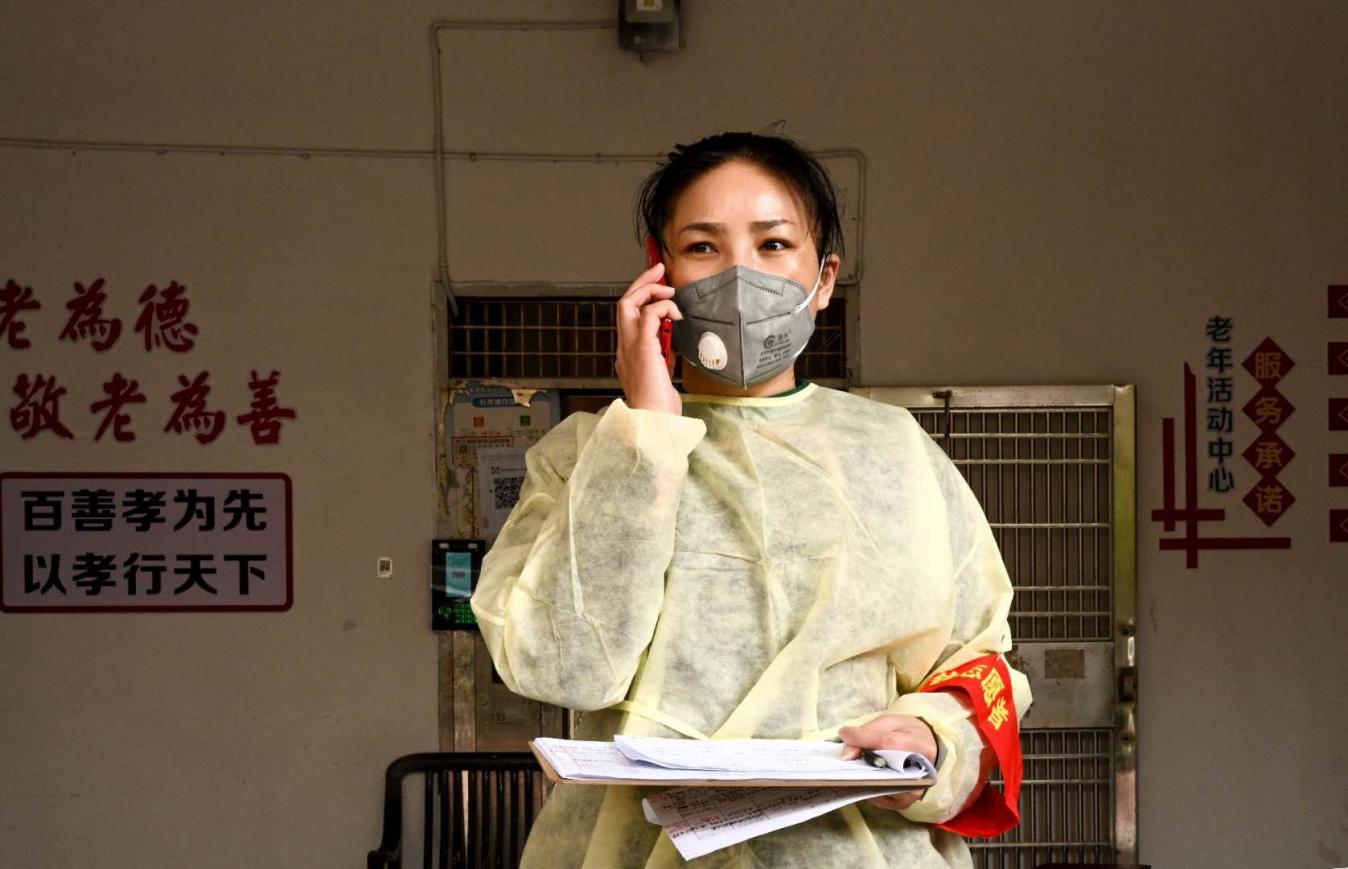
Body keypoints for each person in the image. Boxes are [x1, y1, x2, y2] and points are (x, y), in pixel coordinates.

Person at [470, 131, 1032, 868]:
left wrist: (929, 737)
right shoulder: (586, 456)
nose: (740, 276)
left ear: (824, 279)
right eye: (702, 247)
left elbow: (975, 660)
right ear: (659, 270)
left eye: (773, 245)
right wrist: (645, 432)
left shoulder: (895, 452)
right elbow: (563, 668)